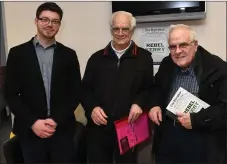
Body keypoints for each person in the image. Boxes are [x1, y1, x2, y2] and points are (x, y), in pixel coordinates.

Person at [5, 2, 81, 163]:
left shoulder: (69, 55)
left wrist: (55, 120)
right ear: (36, 21)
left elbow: (75, 93)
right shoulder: (17, 54)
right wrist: (33, 122)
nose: (49, 24)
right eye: (45, 19)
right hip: (29, 130)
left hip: (61, 130)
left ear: (59, 24)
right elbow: (11, 94)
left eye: (55, 21)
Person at [81, 11, 154, 164]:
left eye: (125, 29)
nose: (120, 33)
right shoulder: (96, 59)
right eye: (116, 28)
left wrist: (139, 103)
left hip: (129, 127)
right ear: (111, 30)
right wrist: (92, 108)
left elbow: (149, 88)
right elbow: (84, 89)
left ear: (132, 30)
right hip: (98, 129)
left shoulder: (144, 58)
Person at [149, 24, 227, 164]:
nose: (177, 51)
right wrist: (154, 104)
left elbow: (224, 110)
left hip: (201, 139)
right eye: (173, 47)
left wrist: (196, 120)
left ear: (195, 45)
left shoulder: (217, 68)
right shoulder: (167, 63)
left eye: (183, 45)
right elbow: (157, 88)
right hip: (168, 135)